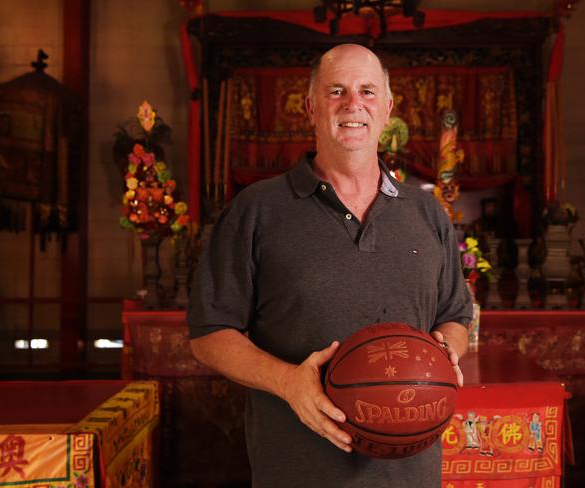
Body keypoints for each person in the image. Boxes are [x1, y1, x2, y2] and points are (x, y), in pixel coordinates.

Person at [188, 43, 473, 488]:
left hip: (411, 474)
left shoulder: (427, 212)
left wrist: (445, 353)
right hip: (296, 470)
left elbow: (455, 315)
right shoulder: (256, 209)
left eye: (367, 92)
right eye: (336, 91)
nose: (353, 104)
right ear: (310, 107)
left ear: (388, 108)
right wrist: (288, 382)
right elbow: (209, 334)